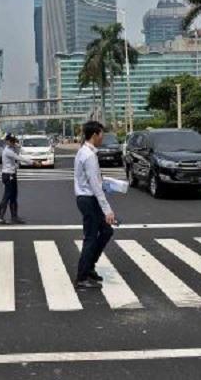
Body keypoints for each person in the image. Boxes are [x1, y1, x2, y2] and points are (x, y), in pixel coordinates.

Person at [74, 120, 116, 289]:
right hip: (89, 199)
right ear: (94, 135)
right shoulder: (89, 155)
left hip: (86, 198)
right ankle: (82, 277)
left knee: (106, 230)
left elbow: (94, 180)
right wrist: (108, 210)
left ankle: (89, 266)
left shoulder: (84, 151)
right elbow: (94, 185)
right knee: (91, 238)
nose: (102, 137)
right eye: (101, 134)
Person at [0, 133, 34, 225]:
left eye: (14, 141)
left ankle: (14, 217)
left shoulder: (11, 148)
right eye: (11, 141)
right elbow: (19, 158)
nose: (13, 142)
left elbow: (18, 149)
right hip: (8, 175)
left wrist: (17, 145)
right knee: (7, 196)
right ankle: (0, 217)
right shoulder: (7, 151)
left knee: (13, 196)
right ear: (7, 141)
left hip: (12, 175)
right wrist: (32, 162)